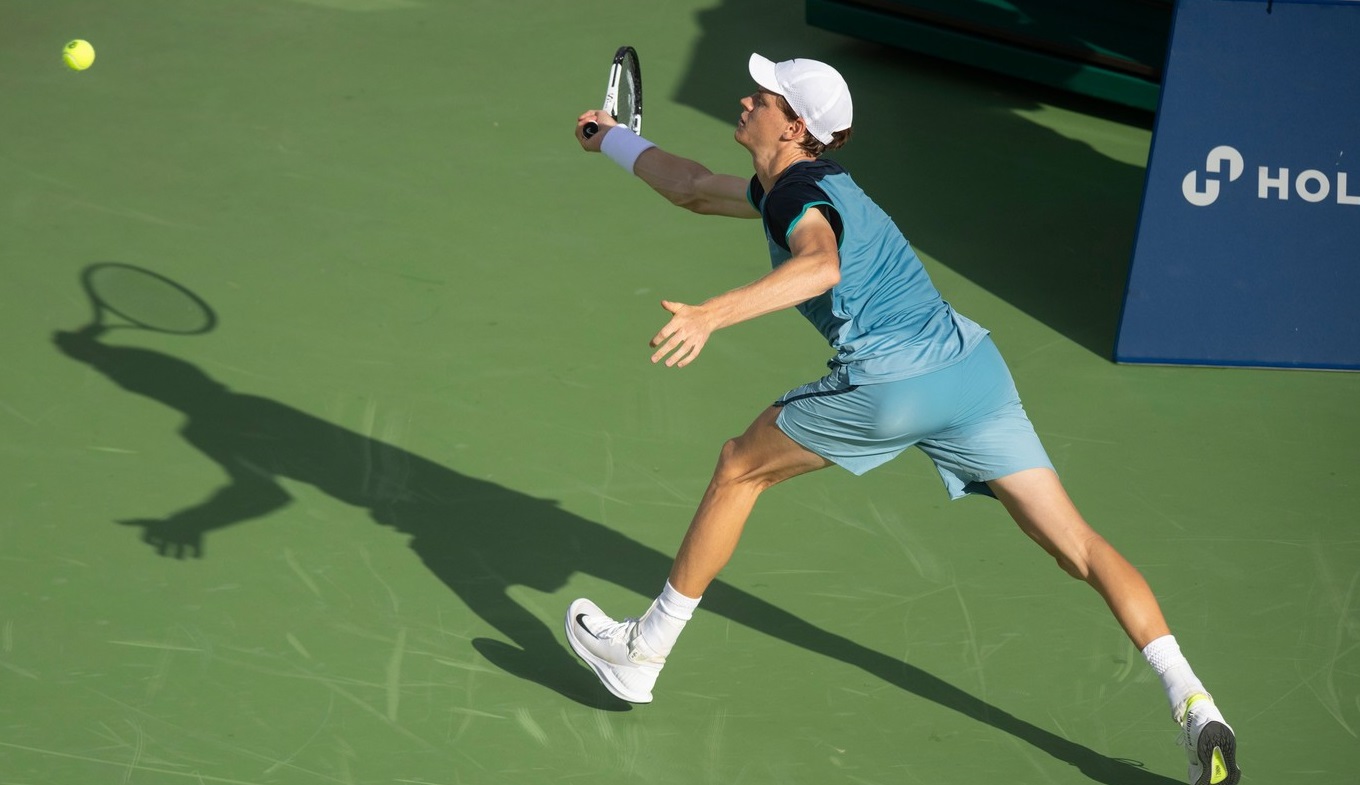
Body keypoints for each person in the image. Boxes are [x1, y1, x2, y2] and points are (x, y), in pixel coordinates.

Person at [563, 54, 1240, 785]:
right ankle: (1195, 704)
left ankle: (643, 653)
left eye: (761, 95)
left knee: (738, 466)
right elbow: (692, 189)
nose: (744, 98)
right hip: (971, 374)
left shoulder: (797, 195)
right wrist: (614, 140)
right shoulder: (790, 185)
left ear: (794, 124)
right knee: (1077, 544)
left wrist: (712, 314)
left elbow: (819, 266)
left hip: (894, 382)